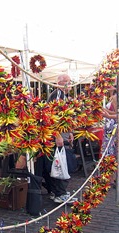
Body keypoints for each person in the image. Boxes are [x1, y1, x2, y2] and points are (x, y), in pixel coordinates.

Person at [35, 73, 74, 203]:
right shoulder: (57, 95)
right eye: (68, 82)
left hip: (61, 135)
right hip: (57, 137)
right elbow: (50, 117)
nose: (70, 84)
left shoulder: (63, 96)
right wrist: (57, 135)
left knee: (56, 163)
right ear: (61, 83)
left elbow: (63, 117)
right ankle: (60, 193)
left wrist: (70, 132)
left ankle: (55, 191)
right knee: (60, 163)